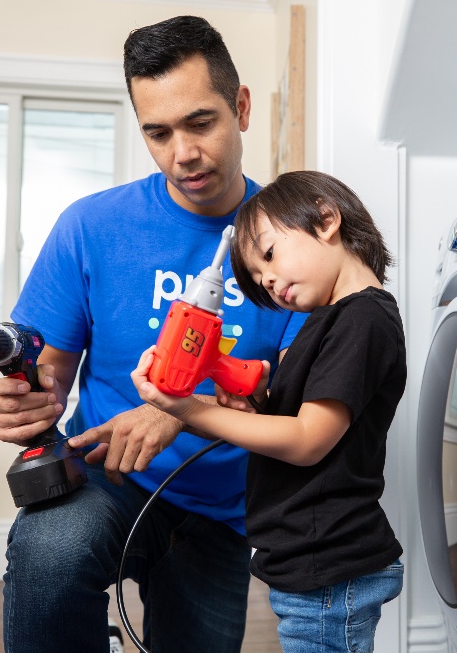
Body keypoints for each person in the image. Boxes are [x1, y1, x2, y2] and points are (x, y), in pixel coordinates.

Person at [0, 16, 306, 652]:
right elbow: (48, 367)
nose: (181, 153)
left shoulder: (292, 241)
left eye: (200, 123)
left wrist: (181, 414)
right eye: (157, 133)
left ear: (240, 108)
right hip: (109, 474)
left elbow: (304, 396)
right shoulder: (91, 227)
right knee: (48, 559)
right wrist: (29, 396)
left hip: (225, 507)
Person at [125, 170, 406, 652]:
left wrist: (186, 409)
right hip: (307, 559)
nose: (269, 281)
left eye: (270, 256)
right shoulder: (325, 321)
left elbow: (306, 441)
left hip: (329, 564)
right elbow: (291, 421)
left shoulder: (363, 317)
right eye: (258, 279)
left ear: (326, 219)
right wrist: (245, 397)